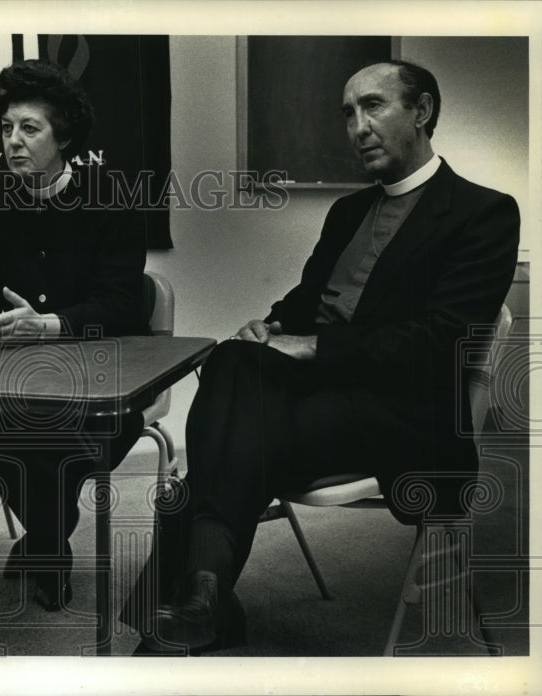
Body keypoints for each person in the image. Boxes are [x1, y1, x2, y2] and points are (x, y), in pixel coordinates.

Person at [132, 60, 520, 654]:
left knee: (227, 437)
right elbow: (308, 300)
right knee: (235, 360)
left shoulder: (484, 213)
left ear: (422, 111)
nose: (357, 126)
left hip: (402, 411)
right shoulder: (347, 213)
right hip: (315, 393)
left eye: (374, 106)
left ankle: (195, 602)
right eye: (348, 113)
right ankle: (203, 599)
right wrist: (274, 323)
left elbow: (440, 342)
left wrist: (312, 345)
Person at [0, 60, 149, 611]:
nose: (13, 141)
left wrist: (52, 325)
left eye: (29, 128)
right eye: (7, 128)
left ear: (64, 136)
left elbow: (128, 302)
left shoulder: (114, 197)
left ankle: (44, 542)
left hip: (98, 371)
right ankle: (52, 538)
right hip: (8, 374)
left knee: (64, 436)